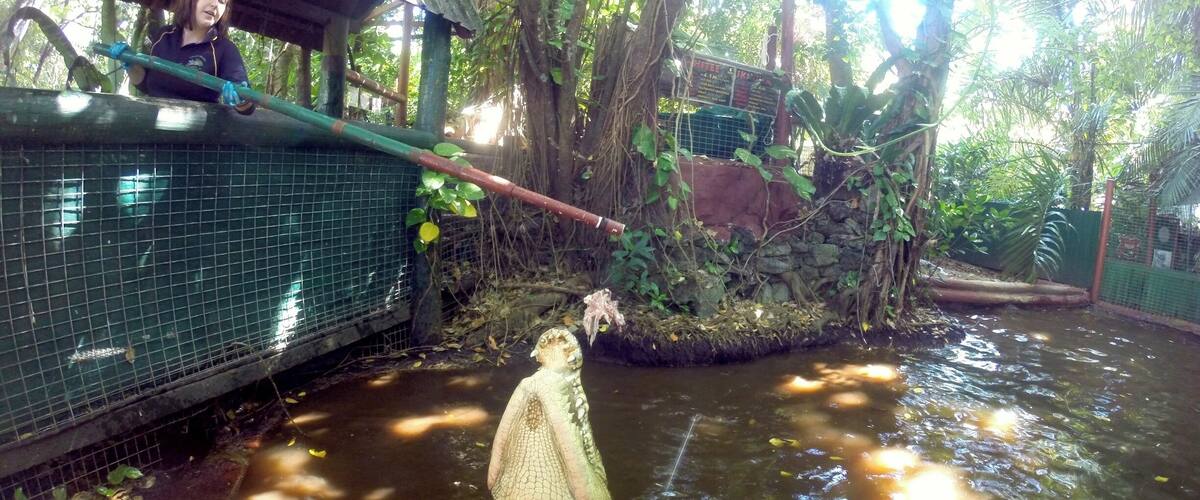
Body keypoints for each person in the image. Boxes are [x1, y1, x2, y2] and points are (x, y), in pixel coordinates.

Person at [113, 0, 255, 114]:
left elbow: (248, 106)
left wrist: (241, 100)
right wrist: (130, 63)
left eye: (222, 2)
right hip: (150, 133)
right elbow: (145, 84)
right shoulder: (163, 35)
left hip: (194, 143)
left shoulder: (224, 48)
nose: (214, 4)